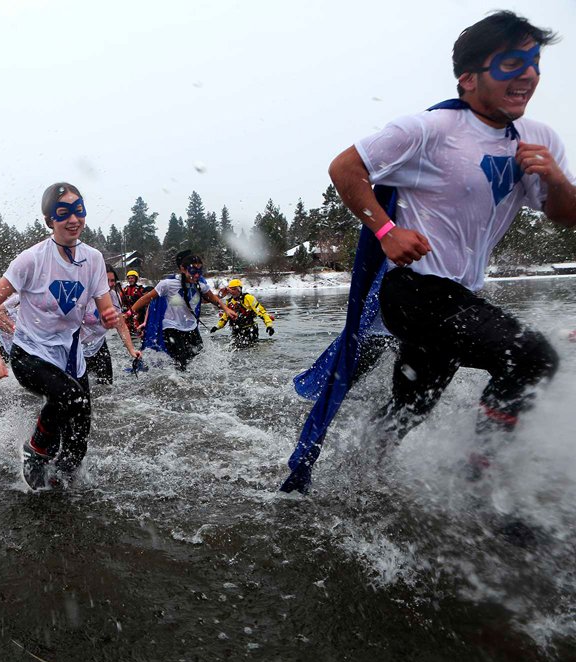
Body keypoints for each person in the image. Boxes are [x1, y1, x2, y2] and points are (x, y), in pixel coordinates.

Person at [327, 11, 575, 474]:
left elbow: (566, 215)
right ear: (468, 78)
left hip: (458, 296)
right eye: (510, 62)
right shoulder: (429, 129)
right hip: (415, 293)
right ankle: (481, 480)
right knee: (532, 357)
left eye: (534, 62)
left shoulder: (538, 140)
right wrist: (386, 231)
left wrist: (557, 178)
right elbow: (346, 169)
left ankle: (354, 476)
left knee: (410, 410)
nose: (527, 74)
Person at [0, 182, 118, 491]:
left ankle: (62, 482)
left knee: (78, 436)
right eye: (63, 213)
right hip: (30, 355)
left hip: (70, 358)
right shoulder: (31, 259)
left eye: (78, 211)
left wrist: (110, 316)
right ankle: (36, 450)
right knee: (71, 397)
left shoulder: (93, 259)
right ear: (49, 220)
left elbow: (105, 307)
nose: (73, 219)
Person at [129, 250, 237, 371]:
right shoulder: (167, 284)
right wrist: (129, 313)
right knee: (182, 361)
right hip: (171, 328)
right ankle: (177, 383)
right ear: (182, 269)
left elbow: (211, 298)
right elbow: (147, 299)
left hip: (190, 327)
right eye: (193, 271)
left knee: (198, 357)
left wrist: (226, 309)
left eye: (199, 271)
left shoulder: (200, 285)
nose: (196, 275)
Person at [81, 264, 142, 384]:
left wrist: (131, 350)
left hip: (99, 345)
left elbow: (122, 326)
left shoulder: (113, 296)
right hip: (78, 348)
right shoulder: (84, 295)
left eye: (112, 280)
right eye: (106, 280)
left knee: (106, 386)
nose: (109, 284)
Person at [210, 279, 275, 347]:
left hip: (250, 330)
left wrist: (269, 326)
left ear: (239, 289)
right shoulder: (229, 302)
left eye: (234, 289)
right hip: (236, 331)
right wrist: (216, 327)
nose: (232, 291)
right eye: (230, 289)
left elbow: (261, 312)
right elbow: (225, 317)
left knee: (250, 349)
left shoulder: (248, 298)